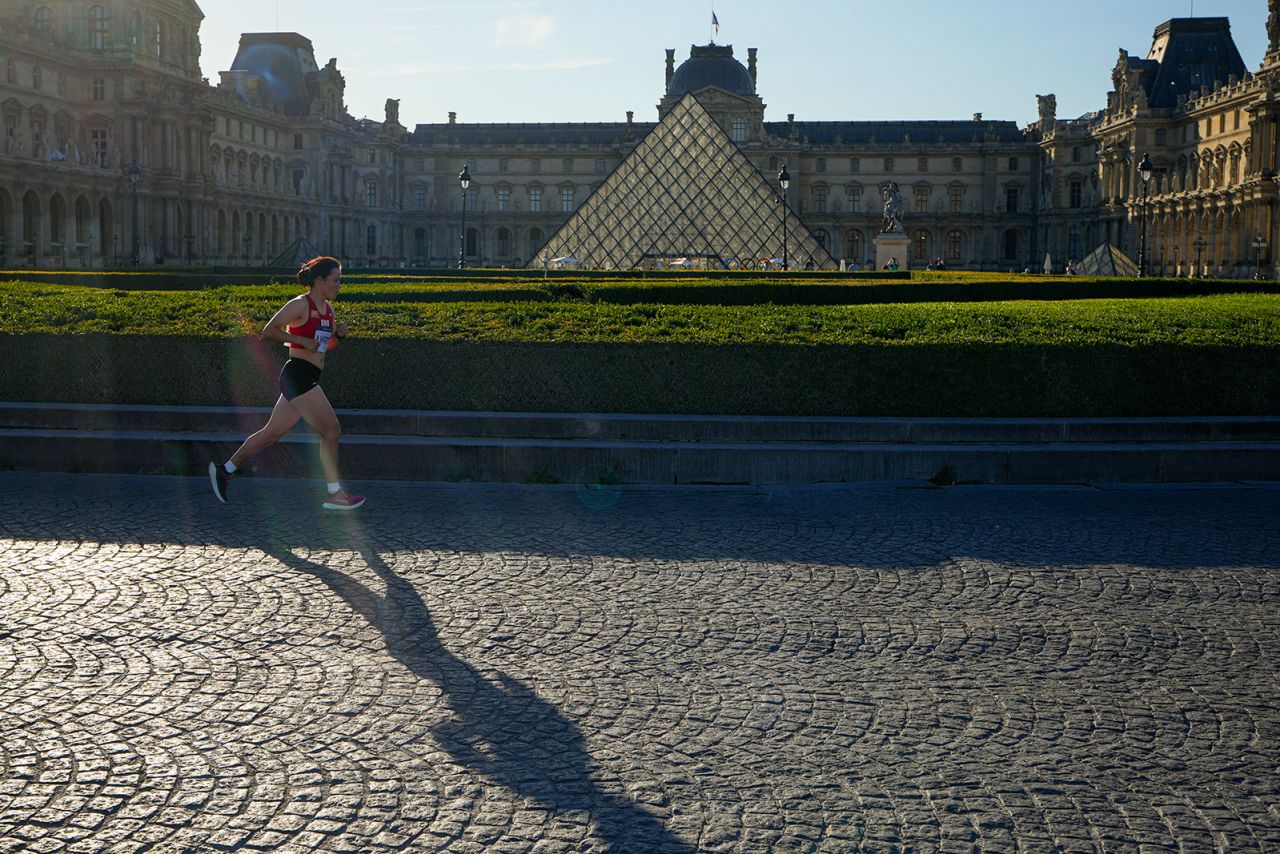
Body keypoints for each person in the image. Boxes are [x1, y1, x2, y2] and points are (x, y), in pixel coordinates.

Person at [209, 256, 365, 511]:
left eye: (340, 281)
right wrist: (302, 342)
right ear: (319, 280)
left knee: (272, 434)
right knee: (332, 430)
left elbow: (324, 348)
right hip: (298, 376)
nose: (339, 285)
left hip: (308, 376)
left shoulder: (328, 309)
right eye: (336, 280)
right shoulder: (299, 305)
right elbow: (268, 331)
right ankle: (335, 492)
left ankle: (224, 470)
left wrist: (338, 336)